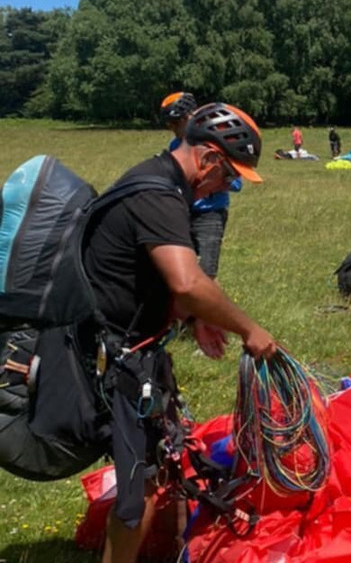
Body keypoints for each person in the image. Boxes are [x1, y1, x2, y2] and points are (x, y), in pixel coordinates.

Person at [88, 102, 277, 563]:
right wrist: (252, 331)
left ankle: (174, 550)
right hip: (118, 359)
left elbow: (158, 280)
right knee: (141, 489)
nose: (227, 186)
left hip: (137, 353)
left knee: (164, 465)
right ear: (209, 158)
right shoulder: (158, 195)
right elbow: (188, 282)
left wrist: (196, 318)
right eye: (229, 176)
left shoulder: (164, 184)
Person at [160, 92, 242, 280]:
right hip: (182, 212)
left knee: (206, 272)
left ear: (190, 117)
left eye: (176, 122)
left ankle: (208, 308)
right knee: (179, 269)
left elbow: (237, 183)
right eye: (169, 124)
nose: (173, 129)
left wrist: (213, 181)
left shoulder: (214, 143)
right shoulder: (175, 145)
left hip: (210, 215)